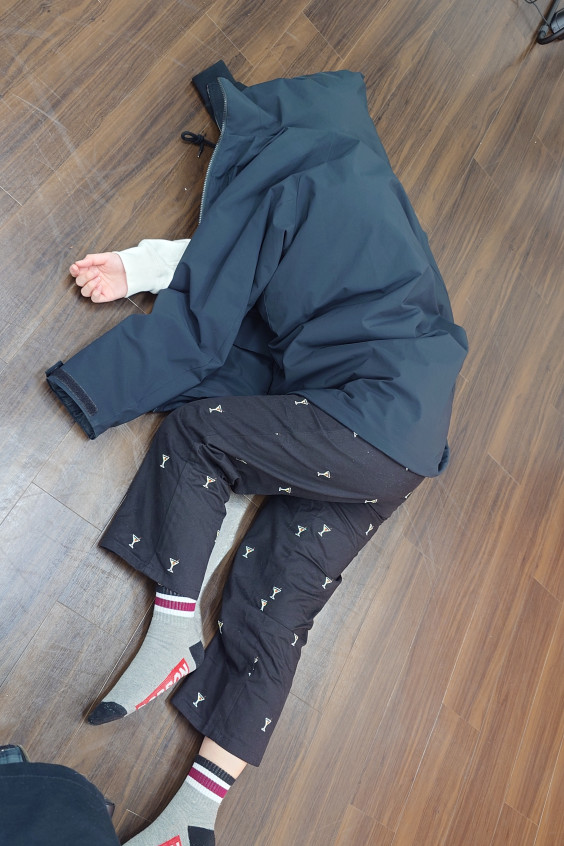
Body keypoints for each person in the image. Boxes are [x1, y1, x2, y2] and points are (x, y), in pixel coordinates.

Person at [46, 63, 468, 846]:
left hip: (366, 417)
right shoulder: (366, 192)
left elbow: (217, 290)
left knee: (199, 431)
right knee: (280, 603)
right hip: (409, 443)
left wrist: (98, 377)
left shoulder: (285, 177)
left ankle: (174, 630)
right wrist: (141, 265)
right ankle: (195, 817)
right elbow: (257, 260)